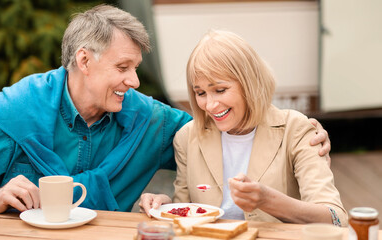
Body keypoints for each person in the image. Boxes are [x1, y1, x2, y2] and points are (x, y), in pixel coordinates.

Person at [0, 5, 330, 214]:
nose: (135, 81)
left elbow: (224, 121)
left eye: (136, 67)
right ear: (83, 60)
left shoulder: (150, 119)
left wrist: (297, 128)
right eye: (123, 68)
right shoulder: (17, 110)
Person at [139, 30, 347, 226]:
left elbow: (335, 218)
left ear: (250, 83)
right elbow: (187, 212)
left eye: (220, 90)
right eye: (200, 93)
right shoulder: (187, 137)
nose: (210, 105)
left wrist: (268, 201)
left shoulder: (296, 130)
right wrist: (165, 206)